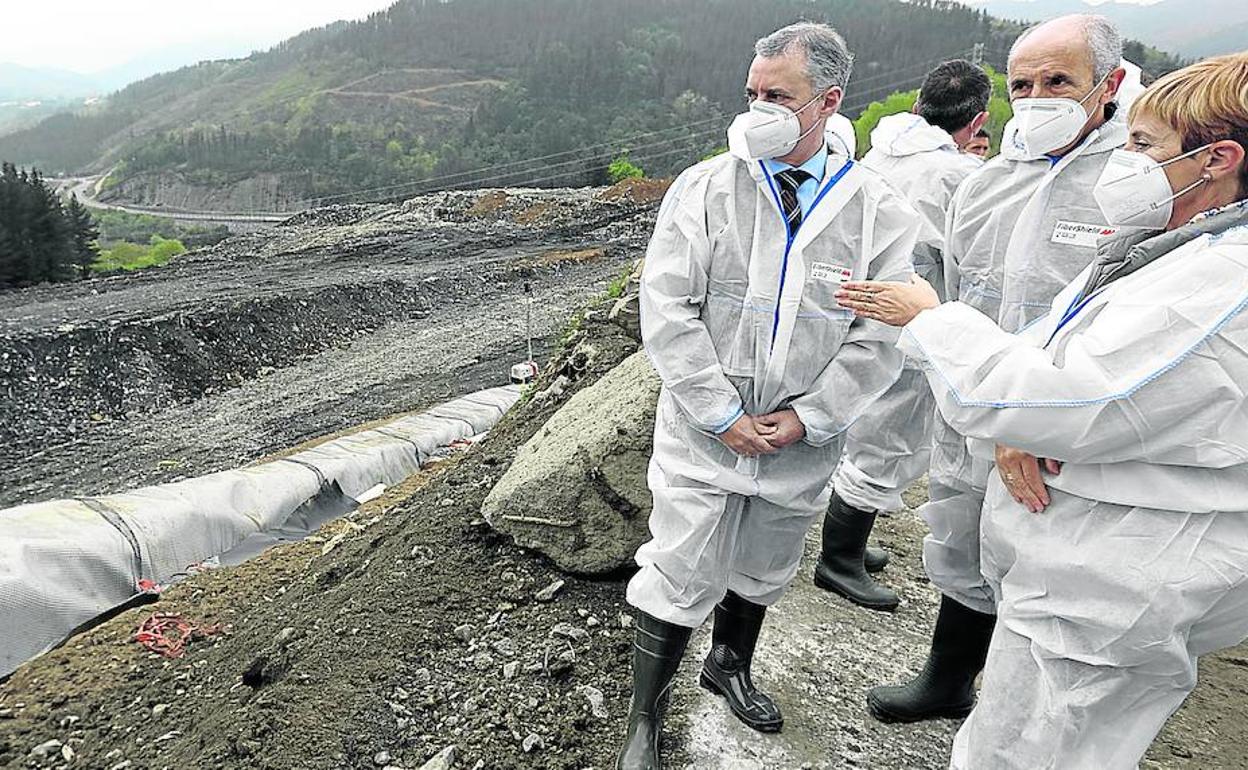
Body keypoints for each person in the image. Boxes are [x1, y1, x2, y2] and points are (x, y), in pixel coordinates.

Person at [837, 49, 1248, 770]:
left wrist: (932, 322)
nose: (1126, 160)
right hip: (1076, 549)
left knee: (1034, 748)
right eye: (1021, 83)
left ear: (1217, 160)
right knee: (1012, 725)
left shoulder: (1221, 280)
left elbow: (1073, 395)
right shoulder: (1176, 246)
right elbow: (1068, 355)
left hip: (1112, 584)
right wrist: (1017, 418)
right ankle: (948, 676)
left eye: (1143, 143)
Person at [617, 22, 919, 770]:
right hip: (704, 432)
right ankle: (643, 721)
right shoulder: (706, 188)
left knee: (766, 559)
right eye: (751, 93)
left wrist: (809, 417)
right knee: (679, 561)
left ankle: (729, 665)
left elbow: (878, 333)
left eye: (777, 96)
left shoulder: (878, 211)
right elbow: (669, 308)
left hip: (799, 441)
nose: (758, 109)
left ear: (828, 101)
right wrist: (720, 412)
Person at [864, 13, 1134, 724]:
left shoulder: (1133, 187)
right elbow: (953, 295)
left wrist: (1037, 419)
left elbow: (1124, 325)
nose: (1038, 98)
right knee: (961, 541)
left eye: (1059, 81)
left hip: (1064, 428)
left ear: (1107, 84)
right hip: (974, 408)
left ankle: (1025, 715)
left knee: (1047, 575)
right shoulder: (986, 185)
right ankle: (949, 678)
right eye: (1023, 85)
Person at [815, 59, 990, 611]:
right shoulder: (959, 177)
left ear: (917, 106)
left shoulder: (878, 153)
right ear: (977, 121)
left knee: (859, 428)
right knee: (887, 443)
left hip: (856, 307)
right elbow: (966, 259)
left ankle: (846, 541)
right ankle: (838, 559)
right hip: (911, 319)